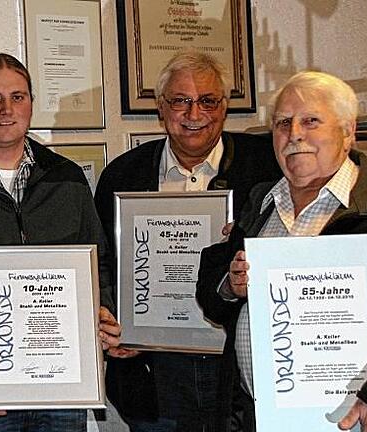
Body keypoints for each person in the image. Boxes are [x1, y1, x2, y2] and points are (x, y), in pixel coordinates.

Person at [0, 52, 124, 432]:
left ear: (31, 104)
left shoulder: (66, 177)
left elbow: (96, 262)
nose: (6, 109)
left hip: (61, 385)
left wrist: (104, 313)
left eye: (18, 97)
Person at [94, 50, 282, 431]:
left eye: (208, 100)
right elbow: (103, 265)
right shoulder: (122, 176)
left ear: (225, 107)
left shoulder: (268, 166)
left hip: (243, 372)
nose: (194, 114)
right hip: (154, 375)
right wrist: (115, 322)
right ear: (161, 109)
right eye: (180, 101)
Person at [197, 71, 367, 431]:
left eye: (311, 120)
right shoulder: (261, 201)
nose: (294, 134)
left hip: (348, 421)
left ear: (347, 131)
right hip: (256, 416)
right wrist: (230, 286)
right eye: (282, 123)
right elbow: (212, 297)